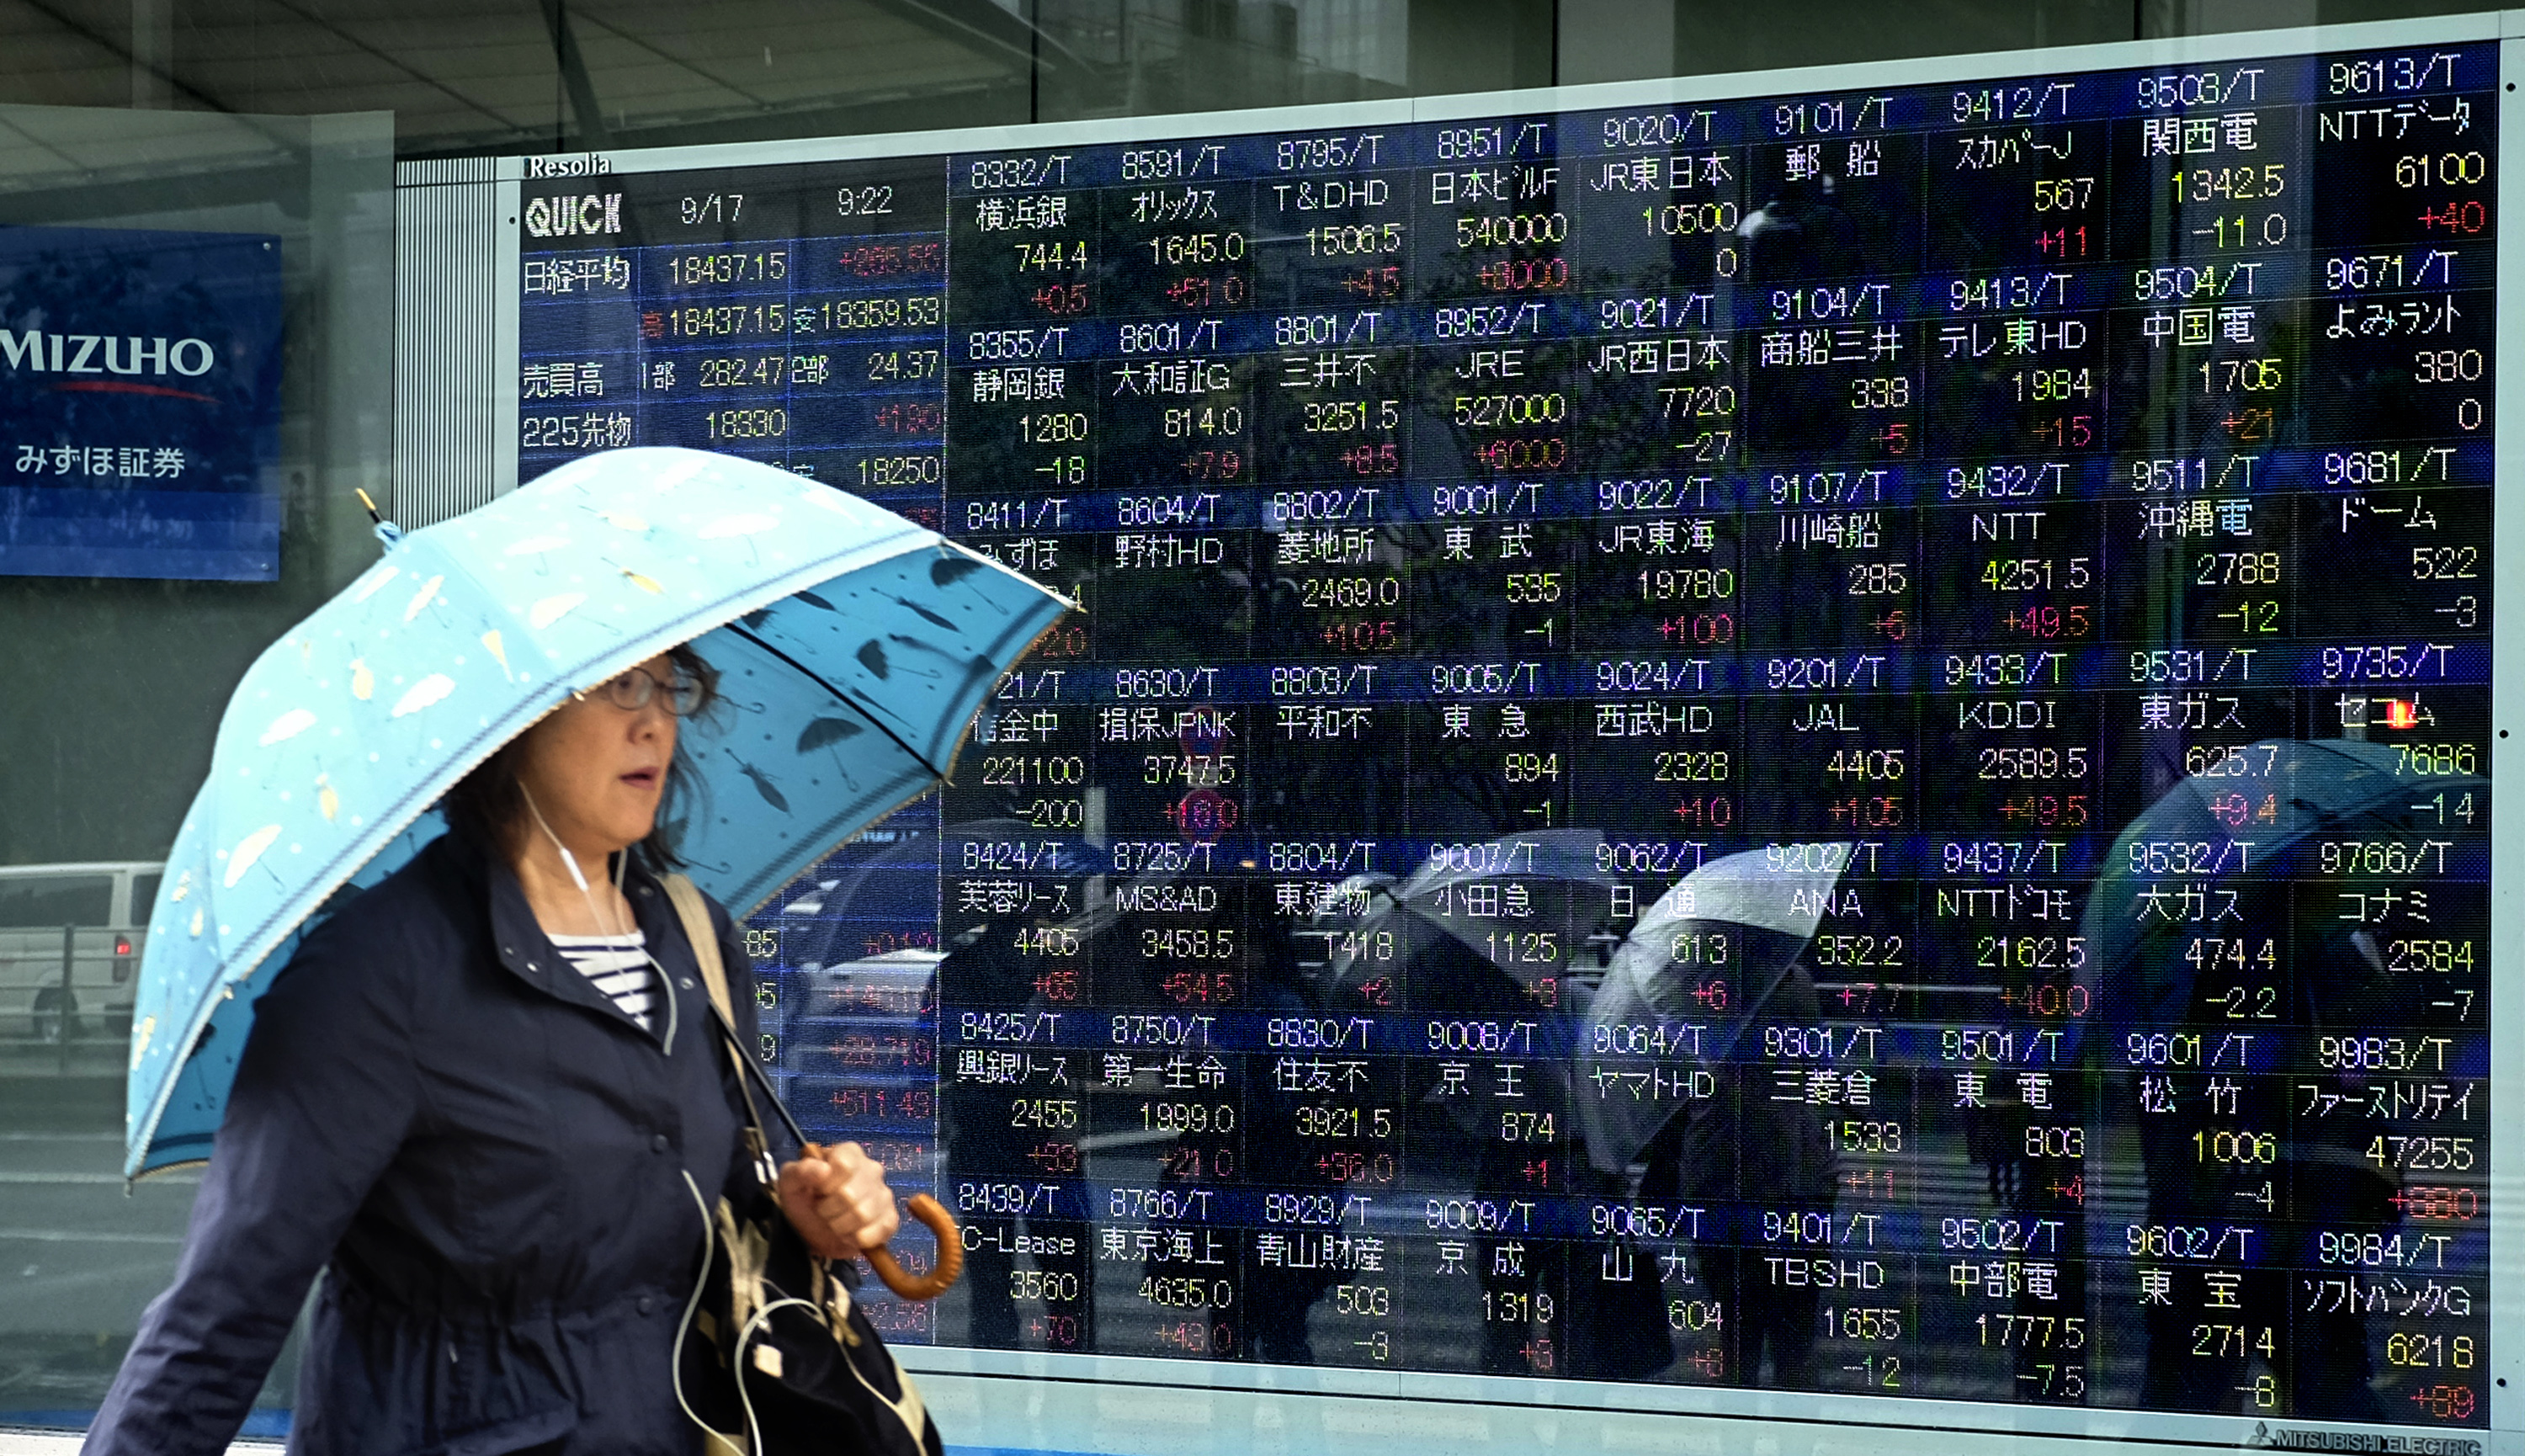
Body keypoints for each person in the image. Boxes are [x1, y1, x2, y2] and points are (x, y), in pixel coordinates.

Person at [85, 646, 902, 1456]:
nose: (655, 720)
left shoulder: (694, 937)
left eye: (669, 683)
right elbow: (224, 1311)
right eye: (621, 683)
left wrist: (813, 1214)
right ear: (513, 710)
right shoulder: (375, 973)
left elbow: (733, 1197)